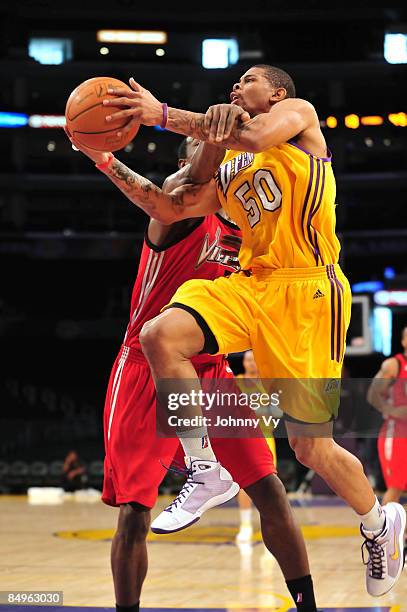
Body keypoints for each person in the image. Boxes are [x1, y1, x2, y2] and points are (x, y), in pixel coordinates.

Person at [102, 64, 407, 597]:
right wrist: (104, 158)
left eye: (248, 80)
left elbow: (259, 133)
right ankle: (204, 467)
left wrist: (164, 115)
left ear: (277, 91)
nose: (237, 88)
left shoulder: (298, 117)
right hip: (254, 283)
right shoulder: (231, 169)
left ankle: (380, 522)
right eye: (234, 84)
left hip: (309, 290)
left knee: (311, 449)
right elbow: (168, 205)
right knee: (159, 335)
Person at [64, 129, 321, 612]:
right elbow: (196, 171)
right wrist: (110, 156)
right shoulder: (177, 218)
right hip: (146, 370)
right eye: (196, 168)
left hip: (211, 372)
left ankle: (308, 605)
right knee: (135, 513)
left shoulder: (251, 236)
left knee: (269, 488)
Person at [235, 350, 277, 543]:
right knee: (244, 484)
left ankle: (268, 525)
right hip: (242, 437)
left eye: (254, 360)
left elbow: (277, 413)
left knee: (268, 484)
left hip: (265, 437)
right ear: (244, 363)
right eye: (248, 360)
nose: (251, 363)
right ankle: (245, 525)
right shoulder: (235, 381)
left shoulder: (268, 383)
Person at [368, 326, 407, 506]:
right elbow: (372, 394)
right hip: (397, 432)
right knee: (395, 487)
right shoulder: (394, 365)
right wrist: (391, 410)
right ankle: (385, 533)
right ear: (403, 341)